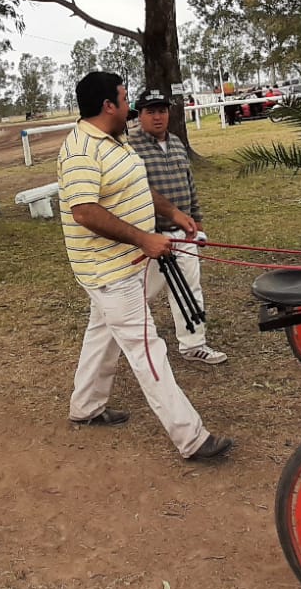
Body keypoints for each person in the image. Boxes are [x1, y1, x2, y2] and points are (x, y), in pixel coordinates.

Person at [57, 71, 233, 462]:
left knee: (102, 334)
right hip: (109, 272)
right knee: (147, 349)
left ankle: (85, 406)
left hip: (125, 266)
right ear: (108, 106)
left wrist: (173, 212)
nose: (130, 107)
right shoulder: (81, 150)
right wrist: (143, 238)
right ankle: (192, 438)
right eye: (124, 99)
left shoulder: (115, 140)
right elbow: (84, 211)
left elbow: (137, 186)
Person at [129, 88, 228, 365]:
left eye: (162, 111)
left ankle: (194, 344)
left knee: (189, 289)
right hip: (150, 237)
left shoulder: (175, 142)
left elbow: (189, 185)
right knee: (138, 294)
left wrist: (197, 221)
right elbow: (135, 191)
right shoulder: (130, 147)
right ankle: (124, 339)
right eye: (150, 111)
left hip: (183, 235)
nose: (157, 117)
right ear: (139, 115)